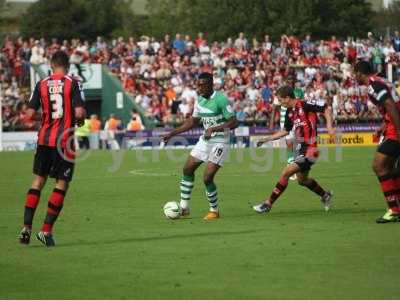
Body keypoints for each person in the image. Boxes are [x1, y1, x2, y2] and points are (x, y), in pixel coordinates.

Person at [19, 50, 86, 246]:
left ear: (51, 64)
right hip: (64, 141)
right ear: (68, 65)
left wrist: (47, 117)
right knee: (61, 183)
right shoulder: (73, 82)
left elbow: (29, 115)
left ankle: (26, 228)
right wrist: (75, 119)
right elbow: (80, 113)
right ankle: (46, 231)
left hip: (44, 140)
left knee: (38, 181)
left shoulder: (41, 84)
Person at [163, 72, 237, 220]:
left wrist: (213, 129)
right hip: (206, 140)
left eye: (203, 85)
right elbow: (192, 122)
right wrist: (173, 133)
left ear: (211, 84)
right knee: (187, 169)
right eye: (198, 85)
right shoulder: (199, 101)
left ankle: (214, 211)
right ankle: (184, 208)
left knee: (207, 177)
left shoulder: (221, 99)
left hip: (220, 141)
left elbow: (233, 122)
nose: (200, 88)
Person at [253, 85, 334, 214]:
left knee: (286, 172)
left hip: (311, 149)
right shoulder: (290, 113)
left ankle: (268, 204)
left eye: (280, 100)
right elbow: (285, 131)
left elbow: (325, 108)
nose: (280, 103)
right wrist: (266, 139)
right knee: (302, 180)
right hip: (300, 150)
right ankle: (325, 195)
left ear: (287, 97)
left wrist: (329, 127)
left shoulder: (305, 104)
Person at [354, 60, 400, 223]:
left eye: (355, 74)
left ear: (360, 73)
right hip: (391, 125)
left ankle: (394, 210)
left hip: (396, 128)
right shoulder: (381, 81)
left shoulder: (374, 85)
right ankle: (396, 208)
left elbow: (390, 104)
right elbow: (392, 105)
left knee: (379, 166)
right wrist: (383, 126)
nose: (354, 77)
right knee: (391, 169)